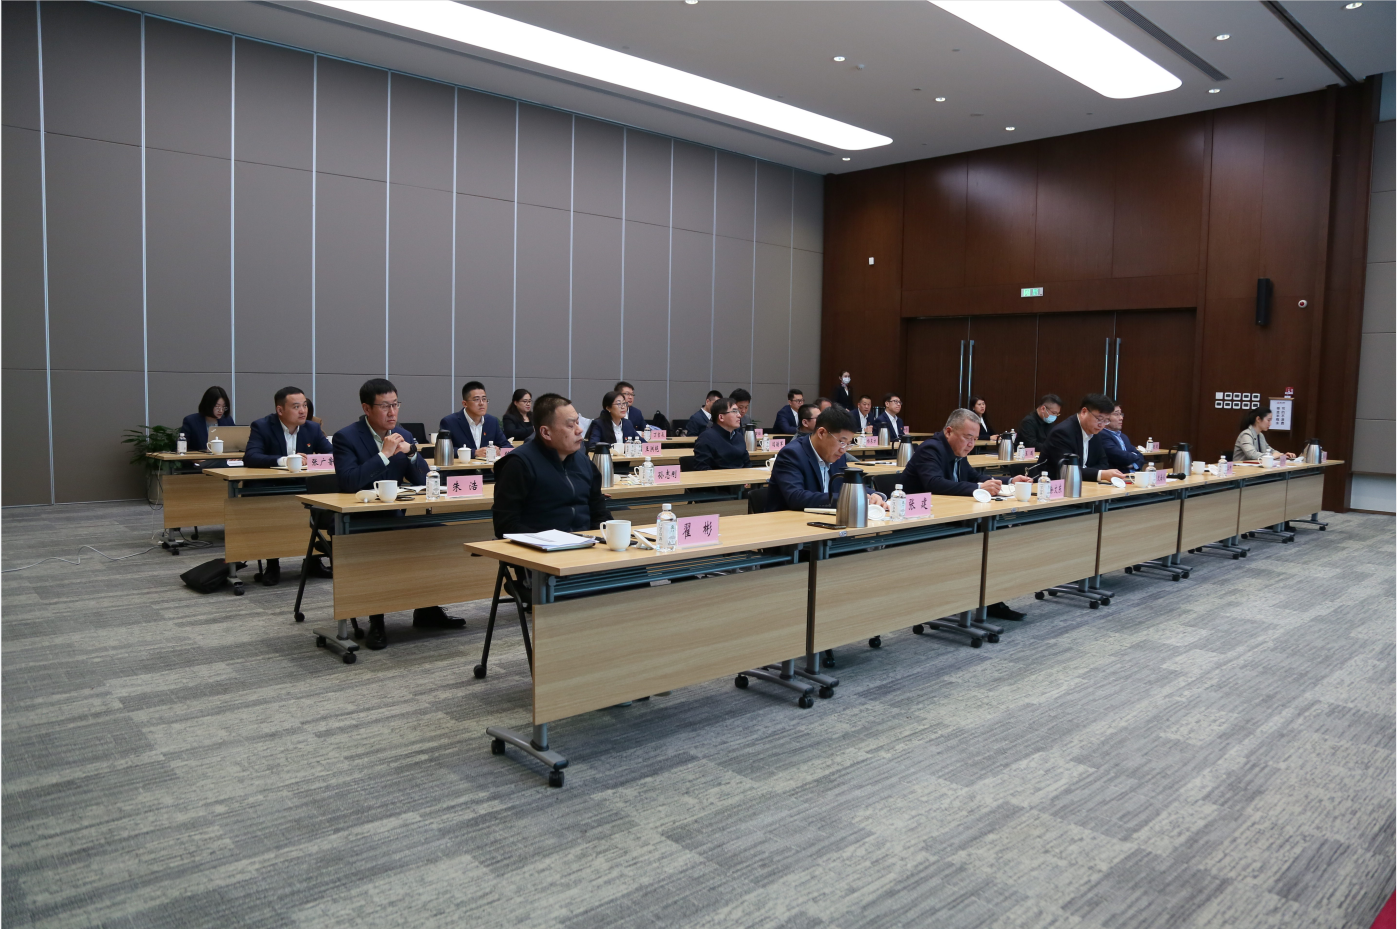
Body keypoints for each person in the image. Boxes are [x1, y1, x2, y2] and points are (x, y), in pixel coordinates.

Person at [334, 378, 461, 648]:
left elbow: (425, 480)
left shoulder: (403, 434)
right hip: (360, 520)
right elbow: (348, 482)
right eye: (385, 406)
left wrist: (412, 453)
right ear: (366, 408)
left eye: (395, 405)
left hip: (394, 515)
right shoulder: (347, 437)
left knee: (437, 536)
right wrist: (384, 455)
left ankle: (427, 609)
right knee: (384, 545)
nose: (392, 412)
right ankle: (377, 620)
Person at [902, 408, 1033, 622]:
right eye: (967, 437)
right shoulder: (931, 449)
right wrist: (979, 488)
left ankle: (989, 600)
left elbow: (974, 476)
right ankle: (968, 601)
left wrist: (1009, 481)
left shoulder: (958, 452)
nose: (971, 444)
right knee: (984, 536)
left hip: (951, 518)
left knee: (996, 533)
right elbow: (934, 483)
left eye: (975, 439)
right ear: (949, 431)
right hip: (921, 522)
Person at [243, 386, 335, 586]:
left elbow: (332, 456)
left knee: (321, 501)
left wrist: (311, 460)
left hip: (302, 486)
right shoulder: (262, 426)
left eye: (304, 405)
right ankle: (272, 564)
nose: (303, 411)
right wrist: (285, 460)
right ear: (280, 410)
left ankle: (313, 561)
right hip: (271, 487)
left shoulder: (312, 428)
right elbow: (251, 457)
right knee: (272, 513)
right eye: (296, 407)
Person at [492, 393, 609, 537]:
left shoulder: (584, 463)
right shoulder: (519, 464)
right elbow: (505, 525)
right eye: (570, 425)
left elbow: (600, 514)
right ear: (546, 432)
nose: (579, 430)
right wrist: (557, 541)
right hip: (539, 547)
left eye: (578, 423)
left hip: (585, 545)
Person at [766, 405, 886, 512]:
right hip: (788, 523)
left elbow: (849, 484)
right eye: (841, 442)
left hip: (825, 520)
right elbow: (796, 497)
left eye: (848, 444)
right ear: (821, 433)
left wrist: (873, 495)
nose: (843, 449)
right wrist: (848, 498)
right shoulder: (792, 454)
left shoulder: (838, 456)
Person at [1041, 393, 1125, 484]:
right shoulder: (1062, 432)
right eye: (1099, 419)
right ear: (1084, 412)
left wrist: (1089, 472)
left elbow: (1103, 463)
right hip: (1052, 486)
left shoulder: (1095, 432)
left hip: (1085, 485)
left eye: (1106, 420)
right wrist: (1100, 474)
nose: (1101, 425)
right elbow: (1067, 470)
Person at [440, 381, 511, 458]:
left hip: (487, 465)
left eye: (484, 399)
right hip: (463, 465)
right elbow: (443, 450)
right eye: (476, 399)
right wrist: (474, 453)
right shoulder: (450, 422)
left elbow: (508, 447)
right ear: (465, 404)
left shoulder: (492, 421)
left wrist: (499, 450)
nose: (481, 403)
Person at [691, 399, 751, 470]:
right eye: (734, 411)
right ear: (721, 417)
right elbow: (702, 468)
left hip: (742, 476)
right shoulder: (706, 438)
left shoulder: (739, 436)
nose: (739, 415)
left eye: (738, 411)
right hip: (718, 476)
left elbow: (747, 463)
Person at [180, 386, 234, 452]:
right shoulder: (191, 421)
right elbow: (181, 449)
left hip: (225, 458)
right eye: (217, 406)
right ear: (208, 405)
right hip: (201, 458)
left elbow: (235, 445)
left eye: (223, 407)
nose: (221, 410)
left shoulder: (227, 420)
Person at [1100, 403, 1145, 473]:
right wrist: (1135, 457)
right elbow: (1119, 456)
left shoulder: (1123, 436)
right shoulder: (1101, 435)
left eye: (1121, 414)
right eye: (1116, 414)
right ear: (1105, 417)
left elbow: (1140, 456)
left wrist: (1133, 465)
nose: (1121, 418)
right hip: (1117, 477)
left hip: (1132, 476)